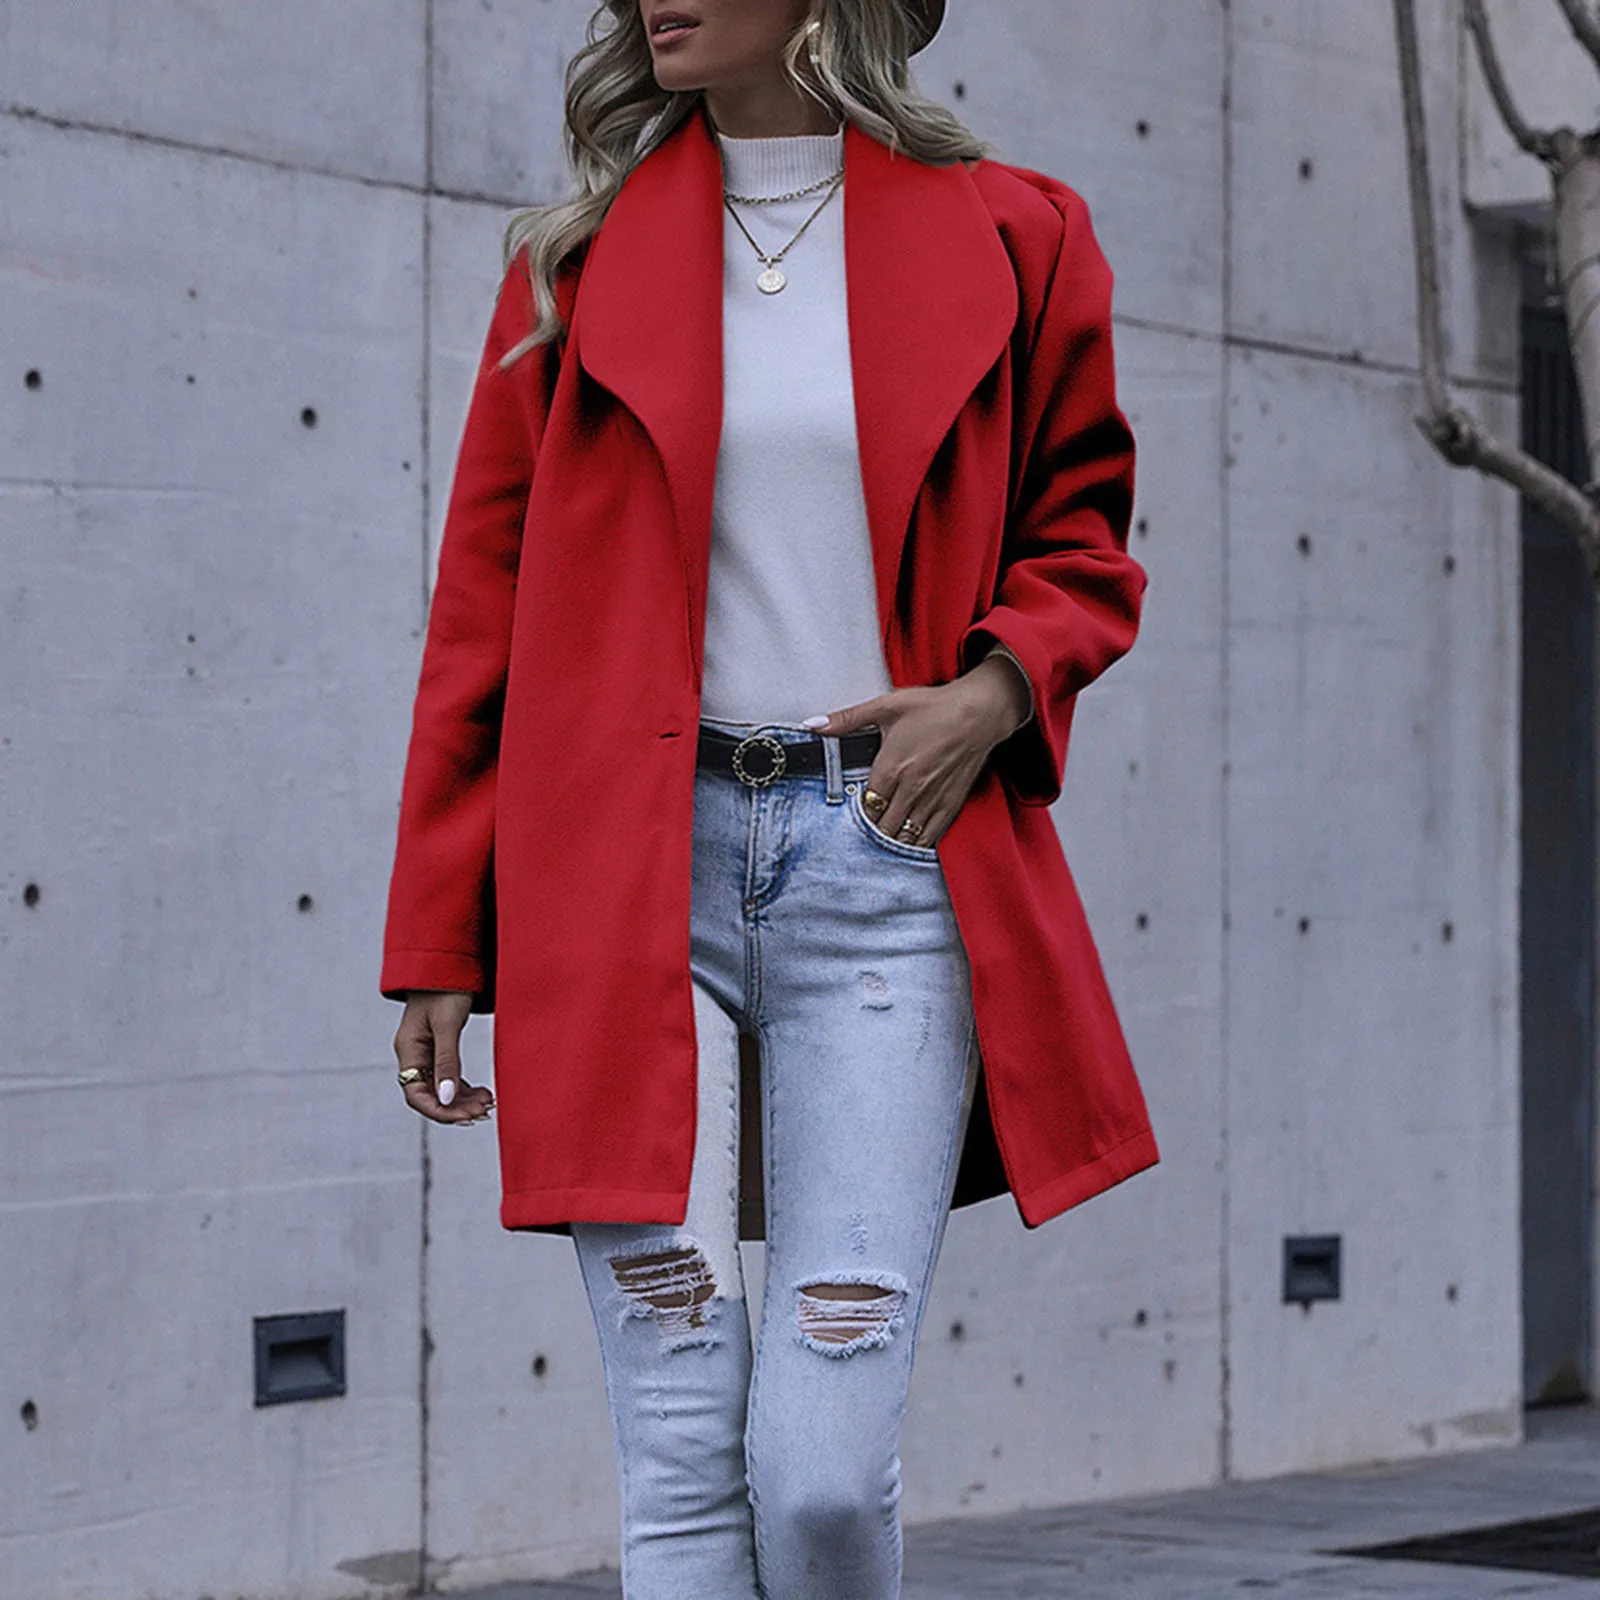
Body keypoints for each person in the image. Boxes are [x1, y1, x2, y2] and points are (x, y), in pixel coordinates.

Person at [380, 1, 1158, 1594]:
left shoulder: (1020, 237)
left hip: (886, 861)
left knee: (819, 1475)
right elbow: (480, 615)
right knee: (678, 1447)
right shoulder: (574, 265)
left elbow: (1084, 538)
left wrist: (993, 691)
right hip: (626, 883)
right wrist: (440, 937)